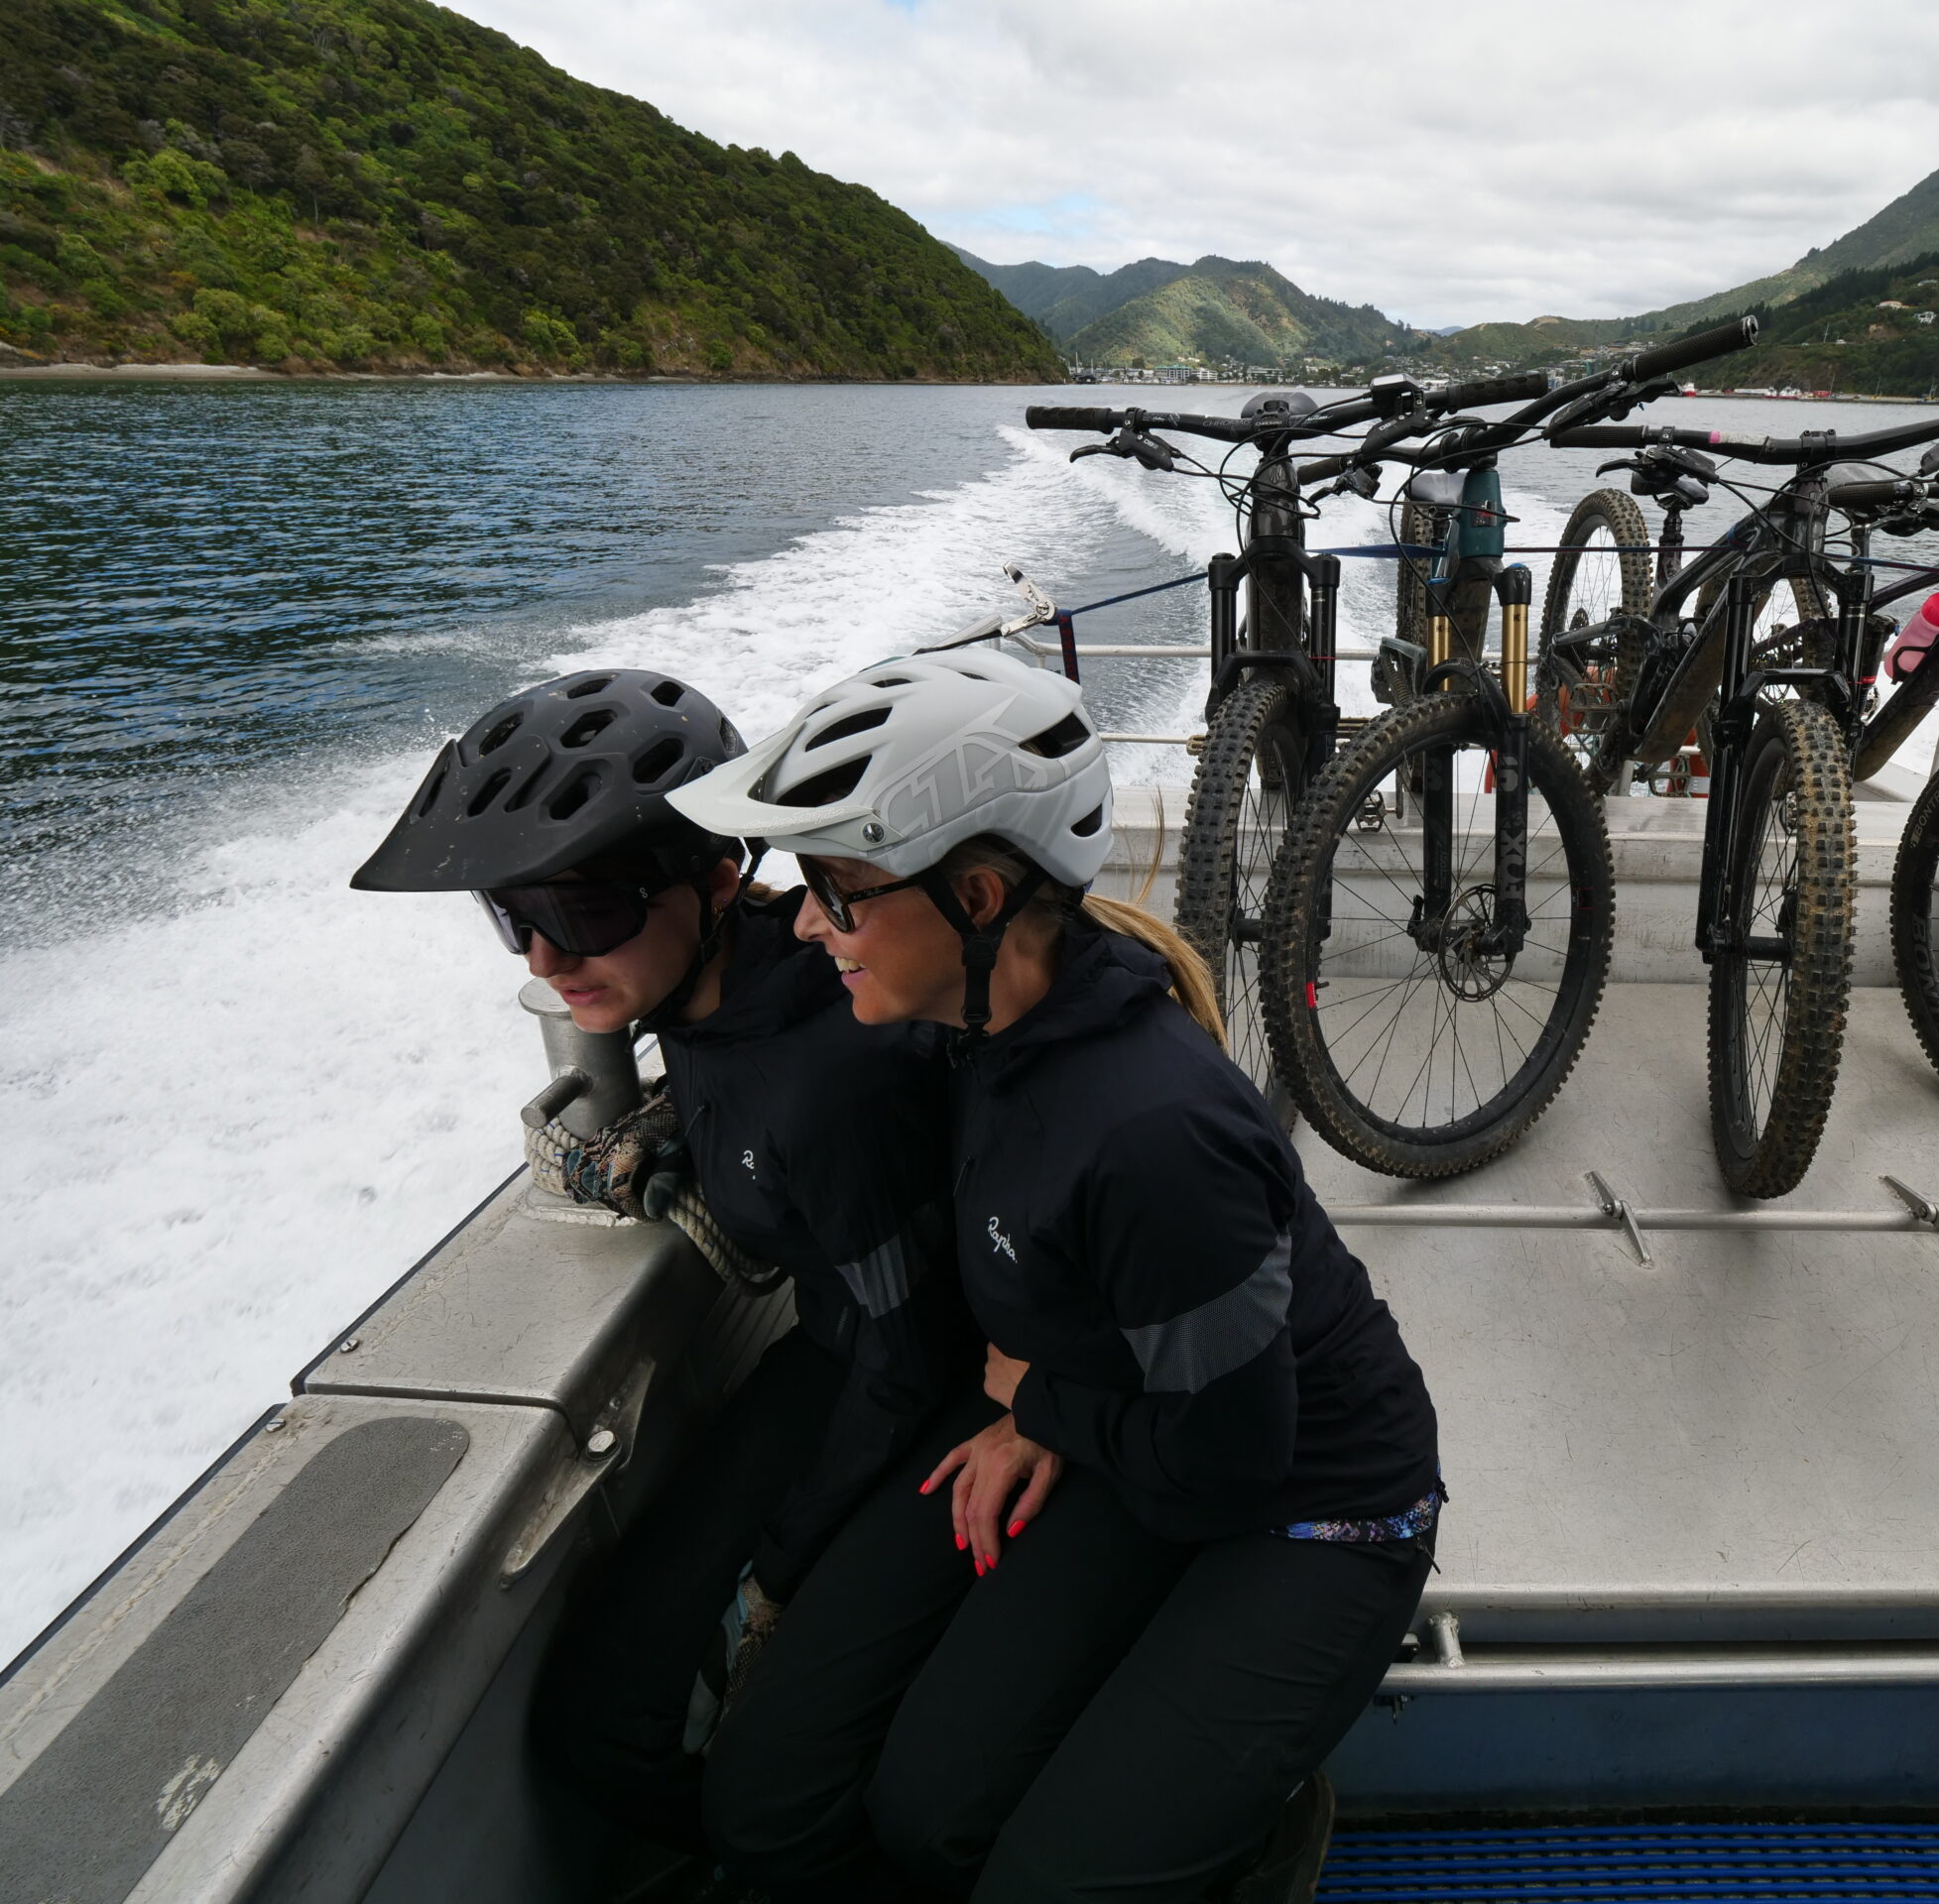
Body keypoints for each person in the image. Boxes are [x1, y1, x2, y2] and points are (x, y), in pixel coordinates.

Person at [669, 646, 1442, 1903]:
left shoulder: (1149, 1137)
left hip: (1307, 1505)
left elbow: (1231, 1464)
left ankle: (1256, 1834)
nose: (807, 924)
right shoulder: (973, 1031)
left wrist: (1043, 1410)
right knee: (924, 1817)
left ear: (976, 900)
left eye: (836, 892)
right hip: (1140, 1431)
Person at [350, 669, 984, 1867]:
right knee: (603, 1714)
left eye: (582, 913)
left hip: (931, 1389)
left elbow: (911, 1357)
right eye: (511, 914)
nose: (544, 955)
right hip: (850, 1348)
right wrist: (658, 1143)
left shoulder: (826, 1080)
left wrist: (780, 1566)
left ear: (718, 876)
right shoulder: (714, 987)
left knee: (707, 1766)